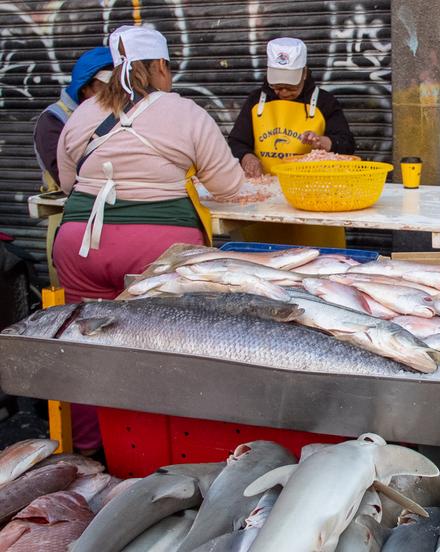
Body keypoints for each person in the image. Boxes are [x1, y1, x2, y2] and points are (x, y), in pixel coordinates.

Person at [52, 26, 243, 454]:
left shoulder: (83, 113)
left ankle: (89, 451)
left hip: (81, 245)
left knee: (86, 344)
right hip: (157, 251)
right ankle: (160, 448)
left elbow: (68, 184)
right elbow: (228, 184)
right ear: (160, 66)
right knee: (164, 349)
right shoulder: (185, 112)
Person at [228, 37, 356, 247]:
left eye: (290, 87)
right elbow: (236, 141)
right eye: (278, 87)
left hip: (314, 204)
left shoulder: (325, 102)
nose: (284, 92)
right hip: (266, 205)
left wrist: (324, 142)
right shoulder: (255, 101)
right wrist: (246, 156)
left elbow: (347, 143)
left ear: (304, 73)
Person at [33, 46, 114, 287]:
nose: (115, 92)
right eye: (107, 84)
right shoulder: (54, 120)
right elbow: (64, 177)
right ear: (85, 85)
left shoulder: (125, 115)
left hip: (116, 222)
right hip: (72, 219)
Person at [34, 47, 113, 190]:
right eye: (105, 88)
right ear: (84, 87)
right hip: (69, 206)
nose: (112, 95)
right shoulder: (53, 119)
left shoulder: (120, 113)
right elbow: (61, 174)